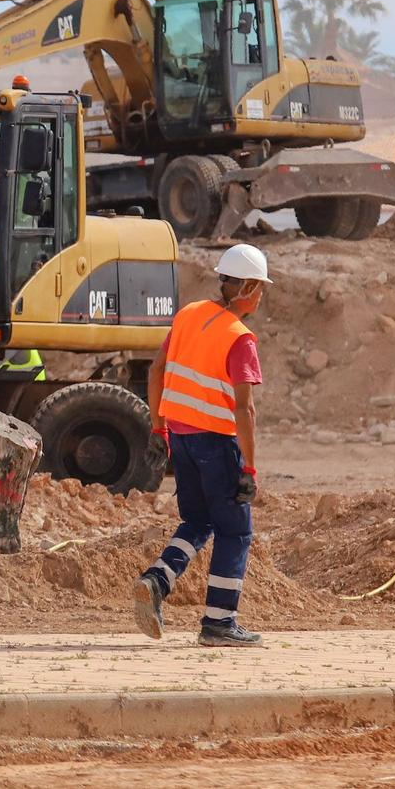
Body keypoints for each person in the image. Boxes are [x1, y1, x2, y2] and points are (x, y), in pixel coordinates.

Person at [132, 243, 270, 647]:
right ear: (245, 288)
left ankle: (156, 579)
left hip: (181, 439)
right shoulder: (240, 338)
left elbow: (156, 370)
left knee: (197, 521)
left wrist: (159, 429)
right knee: (236, 531)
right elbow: (244, 409)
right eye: (259, 287)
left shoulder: (189, 314)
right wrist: (249, 469)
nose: (260, 296)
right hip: (216, 442)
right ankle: (219, 622)